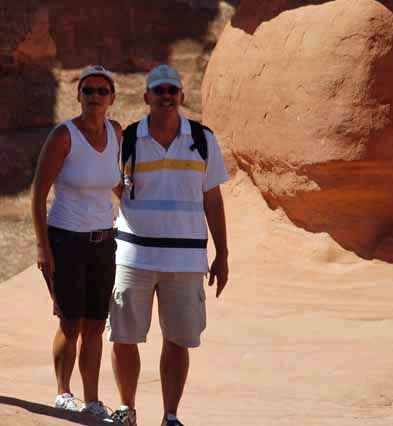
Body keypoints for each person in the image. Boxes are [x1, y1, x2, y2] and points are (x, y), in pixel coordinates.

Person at [105, 64, 230, 426]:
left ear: (181, 97)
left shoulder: (203, 140)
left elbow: (213, 199)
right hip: (133, 256)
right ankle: (127, 411)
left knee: (178, 340)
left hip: (186, 259)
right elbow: (115, 183)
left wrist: (222, 253)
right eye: (158, 90)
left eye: (171, 90)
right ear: (146, 97)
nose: (165, 96)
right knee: (125, 337)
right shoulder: (128, 139)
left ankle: (170, 416)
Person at [31, 65, 122, 421]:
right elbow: (38, 195)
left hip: (104, 242)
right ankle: (63, 394)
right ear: (79, 96)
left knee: (96, 324)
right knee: (70, 322)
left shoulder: (116, 133)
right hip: (65, 240)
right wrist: (43, 248)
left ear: (112, 97)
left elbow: (115, 182)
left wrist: (140, 201)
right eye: (88, 91)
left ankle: (93, 400)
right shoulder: (63, 136)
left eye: (102, 91)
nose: (95, 97)